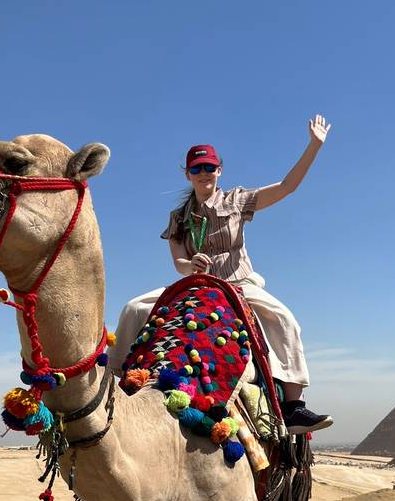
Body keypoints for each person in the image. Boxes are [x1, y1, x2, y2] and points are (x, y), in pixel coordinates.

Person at [108, 116, 334, 432]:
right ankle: (115, 386)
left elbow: (287, 187)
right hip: (193, 284)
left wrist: (314, 145)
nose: (204, 174)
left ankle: (294, 405)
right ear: (188, 173)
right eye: (198, 169)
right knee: (134, 308)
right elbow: (178, 260)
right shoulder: (179, 218)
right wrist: (191, 265)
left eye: (210, 168)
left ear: (219, 170)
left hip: (237, 283)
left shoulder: (237, 201)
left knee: (284, 320)